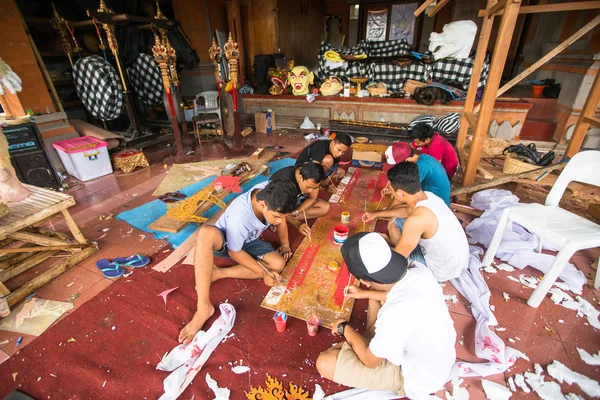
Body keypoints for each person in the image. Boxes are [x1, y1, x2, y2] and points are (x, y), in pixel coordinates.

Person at [315, 232, 457, 399]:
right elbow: (398, 295)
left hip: (414, 377)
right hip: (435, 357)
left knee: (325, 363)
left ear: (366, 280)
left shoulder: (395, 314)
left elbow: (370, 361)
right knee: (373, 296)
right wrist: (362, 293)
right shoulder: (418, 270)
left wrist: (344, 328)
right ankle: (373, 343)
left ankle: (372, 345)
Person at [178, 179, 298, 344]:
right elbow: (234, 251)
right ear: (263, 205)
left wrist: (284, 244)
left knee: (278, 264)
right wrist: (263, 272)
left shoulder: (270, 190)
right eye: (276, 217)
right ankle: (203, 307)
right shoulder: (240, 217)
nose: (278, 221)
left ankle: (218, 272)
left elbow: (282, 217)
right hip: (227, 242)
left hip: (248, 240)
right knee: (206, 233)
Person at [363, 162, 468, 282]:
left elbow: (398, 260)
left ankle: (403, 259)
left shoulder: (416, 220)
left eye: (391, 190)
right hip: (454, 261)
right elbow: (406, 211)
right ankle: (400, 245)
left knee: (374, 255)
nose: (391, 192)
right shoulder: (428, 196)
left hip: (439, 271)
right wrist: (375, 215)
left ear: (400, 193)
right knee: (395, 221)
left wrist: (379, 248)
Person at [269, 162, 330, 235]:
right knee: (277, 214)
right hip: (277, 204)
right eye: (308, 187)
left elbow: (312, 198)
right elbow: (279, 208)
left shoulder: (312, 177)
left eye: (315, 188)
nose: (310, 191)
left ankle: (287, 218)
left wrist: (296, 211)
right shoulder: (284, 183)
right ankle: (283, 218)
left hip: (293, 202)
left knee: (325, 207)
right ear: (300, 178)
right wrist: (297, 224)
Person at [383, 141, 451, 206]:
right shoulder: (421, 157)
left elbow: (404, 191)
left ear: (406, 160)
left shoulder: (420, 167)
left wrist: (387, 211)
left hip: (437, 204)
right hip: (429, 194)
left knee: (399, 210)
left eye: (397, 166)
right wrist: (393, 190)